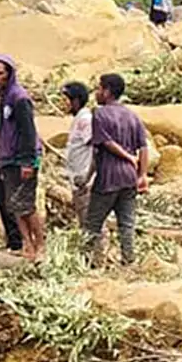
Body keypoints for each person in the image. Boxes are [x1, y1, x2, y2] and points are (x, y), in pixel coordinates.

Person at [0, 55, 45, 260]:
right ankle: (27, 245)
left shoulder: (19, 98)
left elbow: (27, 132)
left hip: (22, 159)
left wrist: (27, 162)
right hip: (6, 159)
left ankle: (40, 245)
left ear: (9, 74)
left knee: (27, 205)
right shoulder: (2, 97)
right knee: (14, 205)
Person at [83, 72, 149, 266]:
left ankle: (85, 262)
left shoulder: (100, 114)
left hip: (109, 176)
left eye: (99, 88)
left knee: (92, 224)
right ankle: (129, 261)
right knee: (126, 224)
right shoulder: (132, 116)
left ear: (107, 91)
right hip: (129, 178)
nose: (96, 93)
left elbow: (105, 143)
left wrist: (126, 156)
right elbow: (144, 147)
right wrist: (142, 174)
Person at [62, 81, 95, 229]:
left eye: (66, 100)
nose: (63, 104)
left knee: (89, 221)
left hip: (84, 180)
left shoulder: (85, 120)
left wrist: (88, 176)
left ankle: (96, 251)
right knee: (84, 219)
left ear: (75, 101)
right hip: (78, 179)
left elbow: (96, 146)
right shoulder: (78, 119)